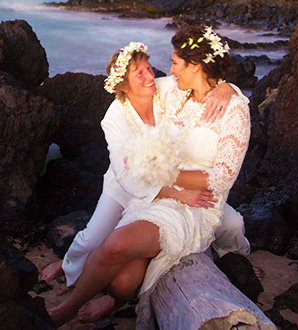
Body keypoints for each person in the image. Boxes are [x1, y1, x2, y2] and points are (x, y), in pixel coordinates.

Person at [48, 28, 251, 326]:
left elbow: (221, 176)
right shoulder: (126, 114)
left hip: (194, 200)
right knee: (111, 263)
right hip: (129, 187)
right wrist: (170, 184)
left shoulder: (170, 91)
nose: (156, 74)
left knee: (231, 223)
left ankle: (67, 309)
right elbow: (128, 175)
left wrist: (228, 87)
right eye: (139, 73)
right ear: (124, 85)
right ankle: (92, 282)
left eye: (173, 63)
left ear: (193, 66)